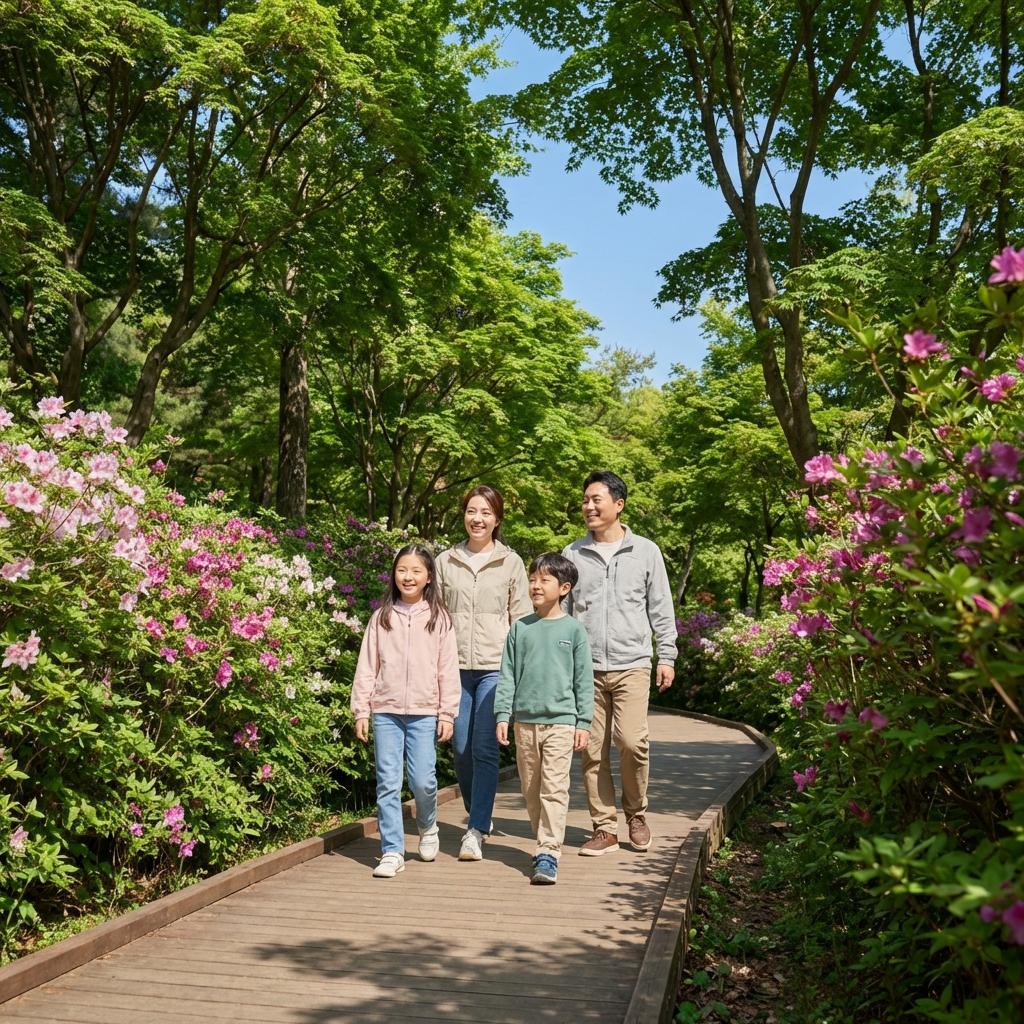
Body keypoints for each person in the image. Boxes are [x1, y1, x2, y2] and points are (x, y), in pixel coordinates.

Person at [562, 470, 677, 856]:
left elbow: (660, 606)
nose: (589, 507)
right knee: (591, 749)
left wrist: (668, 655)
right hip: (586, 666)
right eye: (585, 500)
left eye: (596, 499)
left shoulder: (646, 551)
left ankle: (637, 814)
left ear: (618, 504)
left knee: (632, 742)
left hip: (633, 662)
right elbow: (563, 611)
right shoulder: (572, 554)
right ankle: (604, 827)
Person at [351, 544, 460, 878]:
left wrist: (447, 712)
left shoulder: (439, 618)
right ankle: (392, 851)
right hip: (386, 710)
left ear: (429, 577)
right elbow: (367, 666)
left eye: (416, 571)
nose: (408, 576)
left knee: (423, 781)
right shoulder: (382, 616)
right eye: (402, 569)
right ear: (393, 574)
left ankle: (428, 827)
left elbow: (447, 669)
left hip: (425, 712)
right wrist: (361, 710)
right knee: (387, 781)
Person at [436, 485, 532, 862]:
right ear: (463, 514)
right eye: (472, 511)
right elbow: (437, 616)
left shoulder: (512, 562)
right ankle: (481, 813)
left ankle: (476, 827)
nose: (478, 518)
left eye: (486, 512)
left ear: (497, 518)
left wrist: (519, 671)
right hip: (454, 667)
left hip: (496, 667)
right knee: (460, 748)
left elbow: (521, 620)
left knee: (484, 747)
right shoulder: (445, 561)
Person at [494, 553, 594, 885]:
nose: (535, 585)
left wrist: (583, 721)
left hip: (562, 722)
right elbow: (507, 675)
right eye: (533, 578)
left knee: (554, 788)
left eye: (544, 580)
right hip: (524, 723)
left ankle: (548, 851)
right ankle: (542, 839)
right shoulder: (520, 629)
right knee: (532, 789)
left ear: (564, 588)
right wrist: (502, 714)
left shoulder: (574, 630)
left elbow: (583, 680)